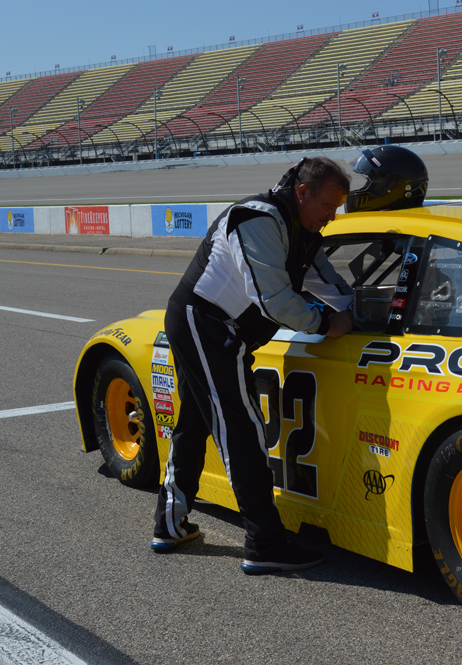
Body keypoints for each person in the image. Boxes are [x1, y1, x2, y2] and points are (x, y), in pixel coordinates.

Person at [151, 157, 354, 574]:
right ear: (302, 192)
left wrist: (361, 310)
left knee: (194, 423)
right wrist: (325, 324)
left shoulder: (302, 230)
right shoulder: (256, 218)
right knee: (241, 428)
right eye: (328, 206)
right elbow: (273, 301)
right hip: (207, 323)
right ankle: (265, 543)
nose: (332, 217)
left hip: (213, 326)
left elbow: (332, 287)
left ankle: (169, 525)